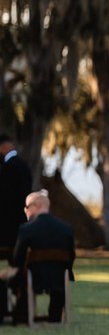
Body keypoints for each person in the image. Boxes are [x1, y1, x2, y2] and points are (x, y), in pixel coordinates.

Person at [6, 191, 76, 325]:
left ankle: (21, 315)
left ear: (35, 206)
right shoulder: (66, 229)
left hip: (34, 277)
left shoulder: (26, 229)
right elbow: (71, 257)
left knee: (17, 277)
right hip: (60, 277)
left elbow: (17, 260)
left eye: (26, 207)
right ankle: (54, 317)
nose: (25, 211)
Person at [0, 135, 33, 268]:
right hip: (20, 225)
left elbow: (5, 199)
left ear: (2, 147)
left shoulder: (9, 168)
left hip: (7, 229)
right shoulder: (24, 165)